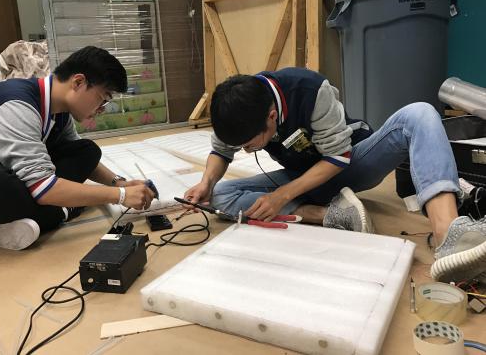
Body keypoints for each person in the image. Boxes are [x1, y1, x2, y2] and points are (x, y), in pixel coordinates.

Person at [184, 67, 486, 283]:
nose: (246, 151)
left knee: (419, 114)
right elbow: (221, 151)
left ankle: (448, 236)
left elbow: (338, 157)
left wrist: (281, 196)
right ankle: (333, 215)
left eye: (250, 145)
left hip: (349, 165)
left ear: (272, 117)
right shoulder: (235, 112)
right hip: (302, 178)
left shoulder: (309, 90)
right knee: (219, 195)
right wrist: (206, 183)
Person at [0, 46, 156, 251]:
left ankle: (20, 220)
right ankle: (58, 212)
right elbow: (43, 188)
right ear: (78, 82)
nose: (101, 109)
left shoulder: (57, 111)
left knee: (86, 151)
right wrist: (120, 196)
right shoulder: (17, 104)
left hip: (0, 185)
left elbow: (76, 158)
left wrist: (118, 183)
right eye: (102, 99)